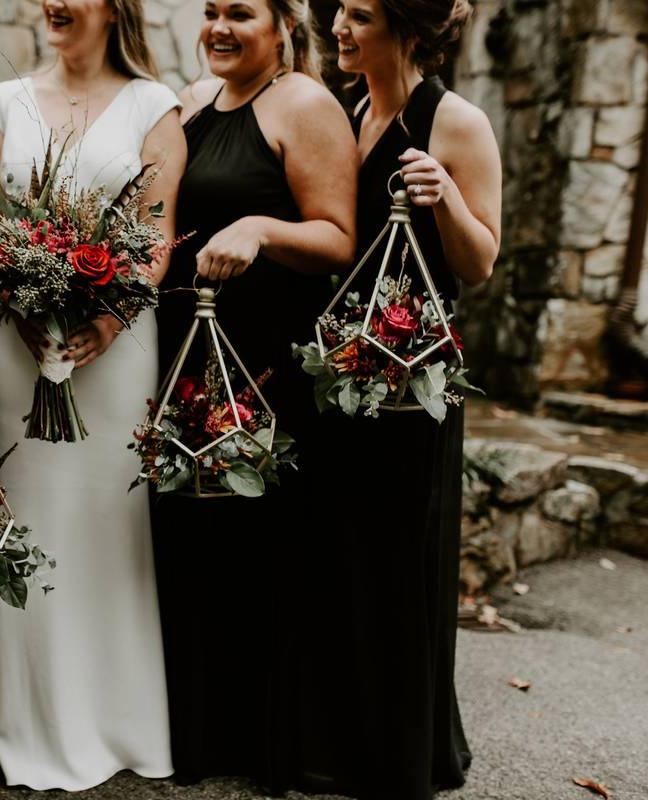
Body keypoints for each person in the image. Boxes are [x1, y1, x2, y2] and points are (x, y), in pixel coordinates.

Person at [0, 0, 186, 788]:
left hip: (117, 344)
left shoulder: (154, 108)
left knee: (110, 521)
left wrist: (114, 312)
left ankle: (123, 724)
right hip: (17, 343)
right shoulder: (2, 105)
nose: (54, 3)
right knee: (30, 520)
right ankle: (32, 723)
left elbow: (158, 235)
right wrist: (17, 304)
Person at [151, 0, 357, 790]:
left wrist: (262, 229)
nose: (219, 28)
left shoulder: (305, 103)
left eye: (240, 12)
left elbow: (338, 236)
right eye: (210, 11)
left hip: (264, 356)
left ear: (283, 26)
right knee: (193, 535)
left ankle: (261, 740)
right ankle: (196, 734)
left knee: (258, 540)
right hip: (185, 349)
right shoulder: (198, 103)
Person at [305, 0, 501, 796]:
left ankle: (401, 752)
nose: (340, 29)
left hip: (411, 376)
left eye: (359, 15)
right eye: (339, 13)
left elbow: (481, 259)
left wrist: (443, 195)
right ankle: (338, 740)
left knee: (400, 558)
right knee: (342, 550)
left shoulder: (457, 122)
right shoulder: (345, 108)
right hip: (340, 368)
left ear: (408, 26)